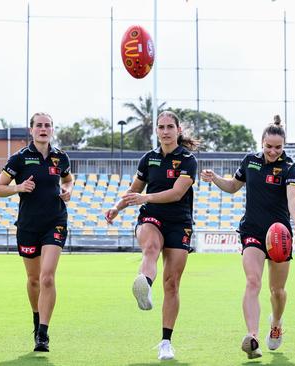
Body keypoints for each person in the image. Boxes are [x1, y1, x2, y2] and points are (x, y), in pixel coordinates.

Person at [200, 115, 295, 360]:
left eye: (278, 147)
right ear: (261, 143)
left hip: (279, 235)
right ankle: (252, 337)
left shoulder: (291, 167)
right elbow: (233, 186)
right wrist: (215, 178)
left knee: (277, 291)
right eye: (268, 146)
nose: (273, 151)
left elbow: (293, 198)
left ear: (284, 146)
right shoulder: (250, 161)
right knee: (253, 282)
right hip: (252, 231)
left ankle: (277, 322)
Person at [105, 111, 199, 361]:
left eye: (170, 127)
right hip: (152, 217)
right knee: (150, 247)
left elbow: (177, 193)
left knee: (172, 283)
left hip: (179, 222)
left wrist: (144, 197)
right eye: (161, 127)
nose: (165, 131)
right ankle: (144, 285)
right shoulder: (148, 159)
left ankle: (166, 341)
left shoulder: (188, 160)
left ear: (178, 130)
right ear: (156, 131)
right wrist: (117, 206)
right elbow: (134, 190)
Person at [0, 112, 74, 352]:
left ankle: (43, 333)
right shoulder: (19, 158)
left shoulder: (61, 157)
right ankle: (37, 317)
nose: (43, 129)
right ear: (31, 130)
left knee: (48, 276)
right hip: (28, 226)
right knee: (34, 279)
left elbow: (68, 179)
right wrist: (19, 187)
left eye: (47, 125)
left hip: (55, 222)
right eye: (39, 125)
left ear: (52, 130)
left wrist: (68, 189)